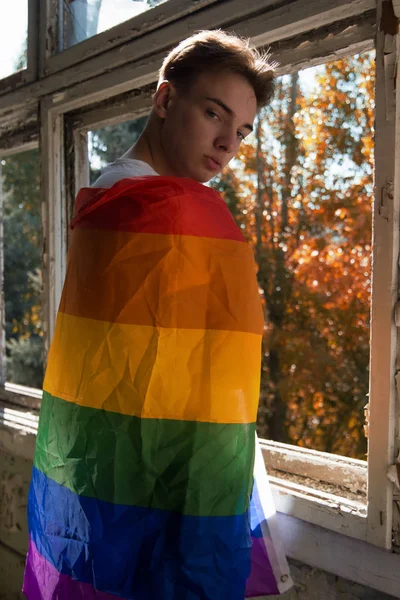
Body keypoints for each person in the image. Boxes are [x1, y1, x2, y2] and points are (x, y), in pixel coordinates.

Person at [23, 30, 292, 600]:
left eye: (241, 131)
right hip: (150, 471)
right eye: (214, 113)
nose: (227, 144)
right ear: (166, 100)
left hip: (113, 465)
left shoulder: (121, 191)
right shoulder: (148, 206)